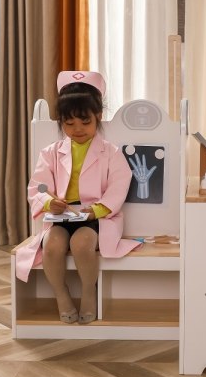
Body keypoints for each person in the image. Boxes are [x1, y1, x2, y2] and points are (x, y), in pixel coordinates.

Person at [16, 71, 139, 324]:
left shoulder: (111, 152)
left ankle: (88, 292)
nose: (78, 129)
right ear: (61, 122)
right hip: (61, 215)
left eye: (85, 121)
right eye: (69, 123)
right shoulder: (50, 152)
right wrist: (50, 202)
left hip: (95, 216)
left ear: (98, 117)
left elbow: (119, 185)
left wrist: (98, 210)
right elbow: (38, 186)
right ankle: (61, 295)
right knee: (52, 246)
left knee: (82, 244)